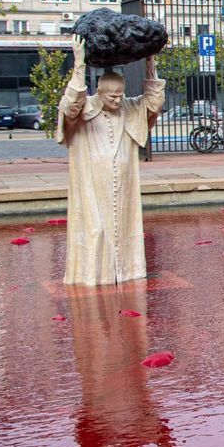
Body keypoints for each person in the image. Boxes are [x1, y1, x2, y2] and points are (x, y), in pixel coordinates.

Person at [56, 34, 165, 286]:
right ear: (99, 91)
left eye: (120, 95)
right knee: (95, 229)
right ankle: (94, 276)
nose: (117, 100)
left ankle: (127, 272)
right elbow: (71, 105)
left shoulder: (128, 107)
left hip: (122, 185)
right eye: (112, 96)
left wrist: (150, 63)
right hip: (92, 185)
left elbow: (154, 103)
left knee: (123, 229)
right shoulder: (85, 109)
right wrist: (80, 64)